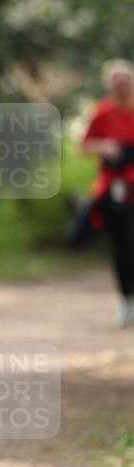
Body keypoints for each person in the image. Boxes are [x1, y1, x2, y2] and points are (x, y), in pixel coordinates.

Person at [81, 58, 134, 327]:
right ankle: (126, 300)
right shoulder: (102, 112)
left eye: (126, 80)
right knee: (122, 244)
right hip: (114, 189)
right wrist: (105, 146)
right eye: (117, 81)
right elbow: (85, 146)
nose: (122, 85)